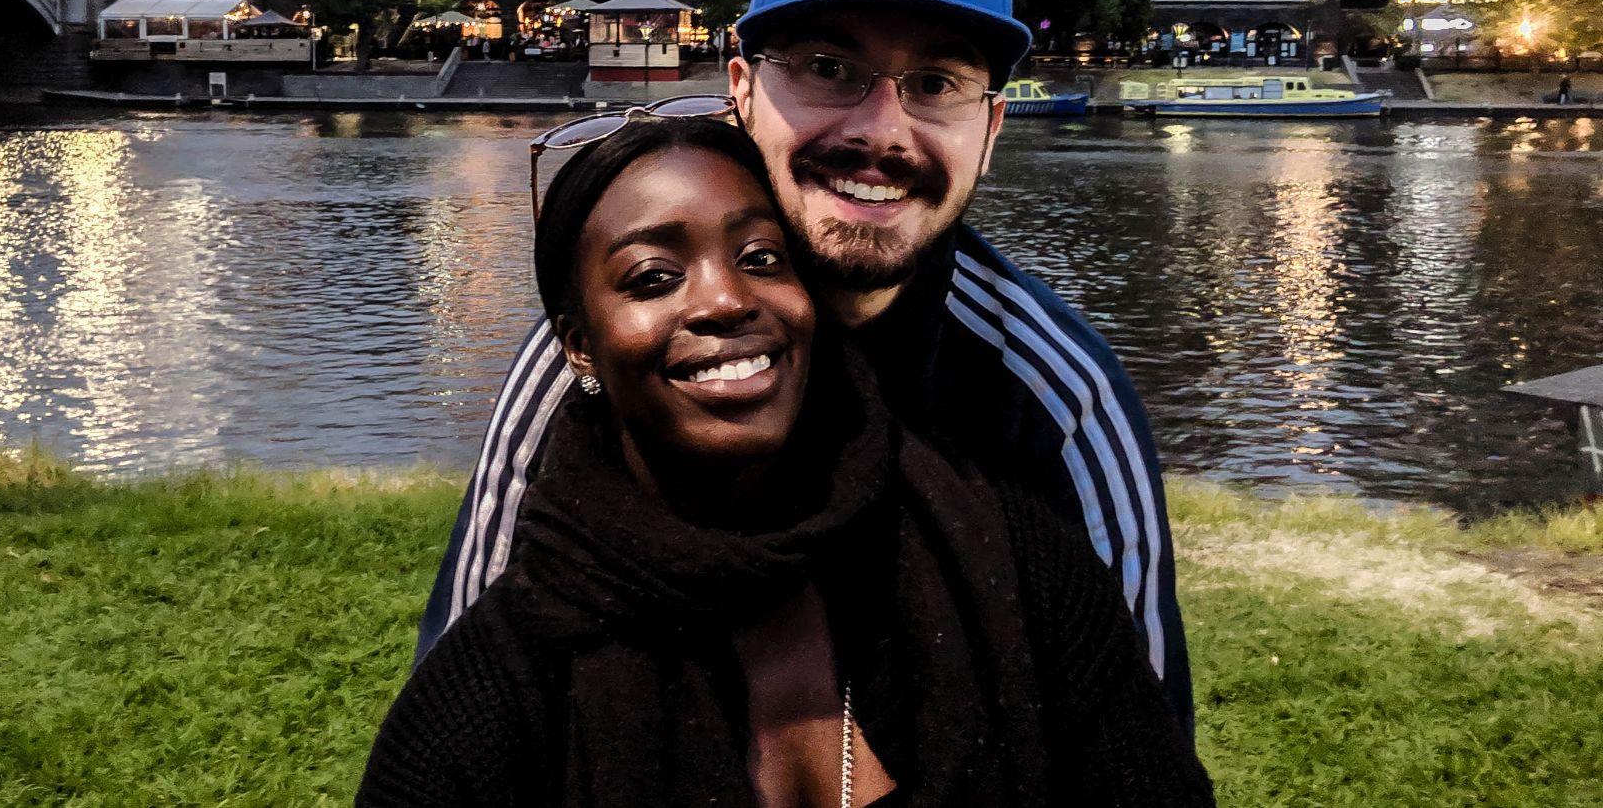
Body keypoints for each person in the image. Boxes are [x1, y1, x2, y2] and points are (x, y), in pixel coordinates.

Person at [417, 0, 1195, 731]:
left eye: (936, 83)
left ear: (992, 128)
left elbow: (1139, 741)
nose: (881, 133)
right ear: (742, 91)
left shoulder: (1059, 400)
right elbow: (462, 696)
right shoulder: (610, 350)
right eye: (828, 68)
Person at [358, 117, 1212, 806]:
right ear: (579, 349)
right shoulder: (497, 691)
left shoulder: (1015, 565)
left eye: (762, 259)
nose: (726, 299)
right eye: (653, 278)